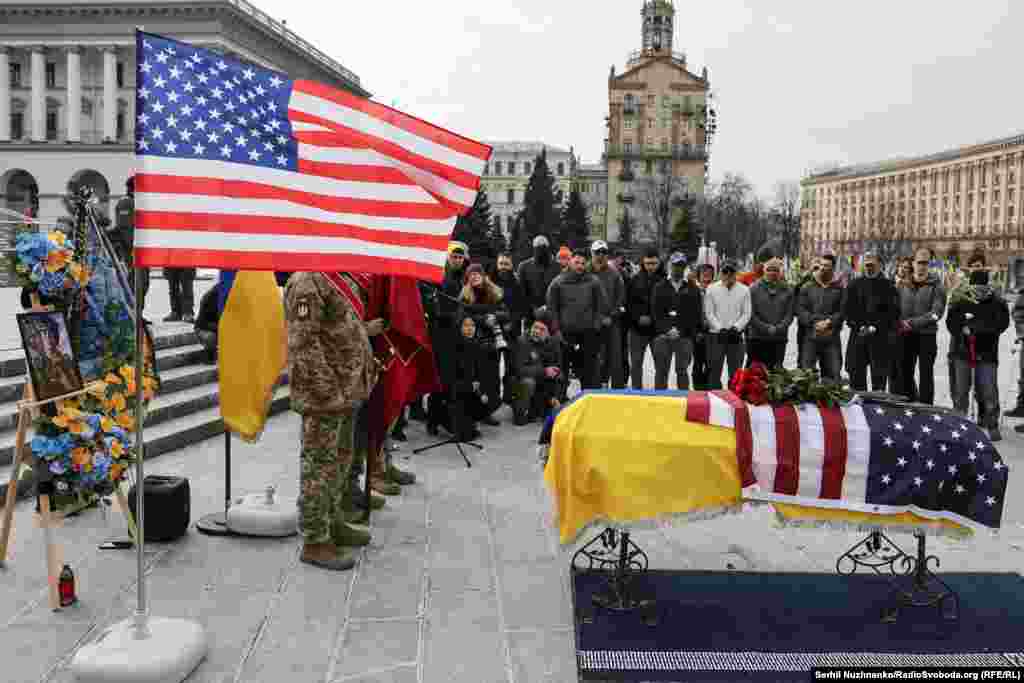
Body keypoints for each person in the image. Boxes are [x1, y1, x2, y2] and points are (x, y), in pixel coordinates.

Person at [285, 272, 377, 571]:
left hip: (347, 391)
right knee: (319, 465)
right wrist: (326, 390)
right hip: (325, 395)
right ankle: (315, 539)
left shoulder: (341, 277)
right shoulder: (307, 281)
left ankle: (333, 520)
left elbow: (344, 329)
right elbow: (302, 342)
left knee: (340, 460)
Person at [946, 252, 1009, 441]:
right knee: (961, 390)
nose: (979, 291)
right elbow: (951, 321)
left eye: (982, 287)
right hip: (962, 351)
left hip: (987, 352)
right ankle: (958, 422)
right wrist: (961, 329)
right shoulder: (961, 298)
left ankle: (991, 422)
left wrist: (979, 330)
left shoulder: (996, 301)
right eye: (976, 287)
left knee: (988, 390)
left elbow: (1002, 323)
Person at [547, 250, 607, 391]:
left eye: (582, 263)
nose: (580, 266)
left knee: (589, 371)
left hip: (588, 333)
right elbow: (552, 307)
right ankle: (560, 400)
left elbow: (602, 305)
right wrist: (556, 330)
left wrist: (597, 325)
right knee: (562, 370)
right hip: (566, 334)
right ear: (570, 262)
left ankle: (590, 400)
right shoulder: (558, 282)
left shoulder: (593, 281)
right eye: (576, 262)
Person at [426, 242, 469, 436]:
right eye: (454, 257)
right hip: (441, 333)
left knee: (455, 379)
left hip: (459, 334)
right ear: (448, 258)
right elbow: (433, 304)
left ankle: (450, 418)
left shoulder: (464, 277)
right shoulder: (439, 276)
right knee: (440, 379)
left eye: (460, 258)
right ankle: (434, 420)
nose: (457, 260)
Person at [896, 248, 946, 405]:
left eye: (926, 263)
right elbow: (894, 307)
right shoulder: (903, 284)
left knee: (926, 374)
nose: (922, 266)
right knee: (905, 373)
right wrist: (898, 322)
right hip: (905, 336)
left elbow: (936, 313)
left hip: (926, 336)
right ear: (913, 263)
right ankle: (909, 404)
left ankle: (926, 407)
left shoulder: (937, 285)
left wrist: (910, 323)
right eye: (919, 262)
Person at [843, 251, 899, 392]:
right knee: (856, 378)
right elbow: (847, 309)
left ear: (879, 265)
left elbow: (893, 312)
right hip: (858, 337)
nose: (869, 267)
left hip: (880, 339)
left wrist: (876, 326)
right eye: (867, 264)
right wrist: (858, 325)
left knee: (879, 380)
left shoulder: (889, 287)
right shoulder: (854, 285)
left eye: (872, 264)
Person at [459, 263, 506, 424]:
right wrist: (483, 319)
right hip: (474, 342)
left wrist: (496, 317)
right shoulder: (464, 295)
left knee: (493, 379)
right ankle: (477, 411)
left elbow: (506, 312)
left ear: (483, 275)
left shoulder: (495, 292)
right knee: (479, 379)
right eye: (471, 274)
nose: (474, 276)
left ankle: (489, 411)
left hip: (493, 342)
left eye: (477, 273)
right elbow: (462, 316)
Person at [650, 252, 702, 389]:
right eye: (675, 266)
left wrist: (681, 330)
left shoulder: (693, 288)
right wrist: (667, 330)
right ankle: (659, 403)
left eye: (681, 266)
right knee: (661, 372)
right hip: (663, 336)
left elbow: (695, 315)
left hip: (684, 337)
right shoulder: (659, 287)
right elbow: (656, 313)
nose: (677, 269)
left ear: (684, 267)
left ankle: (683, 403)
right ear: (669, 266)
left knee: (682, 372)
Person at [796, 254, 845, 380]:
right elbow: (800, 310)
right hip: (810, 338)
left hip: (831, 338)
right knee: (806, 376)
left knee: (833, 374)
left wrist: (829, 322)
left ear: (833, 268)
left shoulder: (839, 289)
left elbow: (842, 311)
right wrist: (815, 322)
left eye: (827, 266)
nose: (823, 268)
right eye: (822, 265)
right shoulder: (806, 287)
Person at [704, 259, 751, 389]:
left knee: (736, 374)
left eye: (732, 272)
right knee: (714, 373)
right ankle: (715, 401)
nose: (728, 275)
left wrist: (736, 328)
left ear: (736, 273)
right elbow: (709, 313)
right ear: (720, 272)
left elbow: (746, 313)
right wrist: (720, 329)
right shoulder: (711, 289)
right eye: (725, 271)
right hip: (716, 336)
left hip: (735, 336)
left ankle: (734, 402)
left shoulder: (745, 290)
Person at [489, 252, 527, 404]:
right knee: (492, 367)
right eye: (501, 263)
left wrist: (512, 321)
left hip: (512, 331)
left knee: (511, 367)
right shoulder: (489, 282)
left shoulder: (517, 283)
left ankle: (508, 395)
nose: (503, 267)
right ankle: (494, 396)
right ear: (497, 264)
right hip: (493, 331)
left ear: (511, 266)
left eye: (506, 264)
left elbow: (522, 307)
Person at [512, 315, 563, 425]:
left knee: (558, 376)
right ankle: (520, 413)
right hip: (519, 383)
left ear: (548, 333)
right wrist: (544, 371)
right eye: (535, 327)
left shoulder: (554, 343)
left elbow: (558, 369)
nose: (537, 331)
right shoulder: (522, 341)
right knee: (528, 382)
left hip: (542, 384)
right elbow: (519, 370)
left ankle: (546, 407)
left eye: (542, 329)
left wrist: (556, 396)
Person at [589, 240, 626, 389]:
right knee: (594, 358)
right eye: (597, 252)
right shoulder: (584, 271)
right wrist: (596, 318)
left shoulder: (615, 274)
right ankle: (594, 389)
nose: (600, 255)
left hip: (612, 321)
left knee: (615, 357)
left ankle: (618, 390)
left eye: (604, 252)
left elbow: (621, 297)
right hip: (591, 323)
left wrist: (611, 316)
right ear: (591, 253)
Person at [625, 247, 664, 389]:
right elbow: (628, 303)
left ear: (659, 262)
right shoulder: (634, 280)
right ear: (643, 263)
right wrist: (637, 318)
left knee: (661, 366)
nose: (651, 267)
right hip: (637, 329)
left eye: (653, 263)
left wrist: (654, 319)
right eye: (648, 263)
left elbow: (667, 305)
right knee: (636, 365)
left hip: (657, 330)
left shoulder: (665, 280)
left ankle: (661, 394)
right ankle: (637, 392)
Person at [746, 257, 794, 368]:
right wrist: (766, 328)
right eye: (769, 269)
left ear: (780, 271)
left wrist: (778, 328)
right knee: (755, 372)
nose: (772, 273)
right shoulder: (753, 289)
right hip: (757, 337)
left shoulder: (788, 290)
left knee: (775, 373)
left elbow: (789, 314)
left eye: (776, 270)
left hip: (779, 338)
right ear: (763, 270)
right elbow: (750, 314)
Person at [111, 177, 149, 309]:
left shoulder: (136, 202)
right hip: (132, 251)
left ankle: (138, 314)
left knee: (143, 283)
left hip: (141, 250)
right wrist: (134, 248)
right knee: (136, 283)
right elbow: (126, 229)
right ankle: (132, 313)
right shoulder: (126, 203)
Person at [450, 317, 488, 441]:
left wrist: (479, 385)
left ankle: (471, 426)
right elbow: (454, 372)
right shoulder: (455, 344)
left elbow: (480, 369)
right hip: (458, 385)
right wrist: (469, 384)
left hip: (473, 385)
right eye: (466, 325)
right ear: (460, 328)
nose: (470, 328)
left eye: (472, 325)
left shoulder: (477, 344)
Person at [516, 235, 562, 330]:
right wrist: (533, 310)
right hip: (531, 315)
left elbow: (561, 293)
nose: (541, 250)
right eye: (538, 247)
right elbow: (521, 293)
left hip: (552, 315)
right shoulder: (524, 267)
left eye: (543, 246)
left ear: (548, 248)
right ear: (534, 248)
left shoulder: (558, 268)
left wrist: (547, 308)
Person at [692, 263, 716, 389]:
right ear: (698, 277)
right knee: (697, 363)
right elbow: (690, 315)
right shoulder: (693, 292)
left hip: (713, 333)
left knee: (711, 364)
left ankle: (709, 390)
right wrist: (696, 332)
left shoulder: (717, 292)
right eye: (704, 274)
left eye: (709, 274)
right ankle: (697, 390)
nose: (707, 277)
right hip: (698, 333)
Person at [193, 281, 221, 364]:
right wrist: (219, 328)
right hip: (203, 329)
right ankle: (208, 357)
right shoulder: (210, 298)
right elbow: (202, 323)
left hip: (216, 327)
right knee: (210, 337)